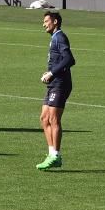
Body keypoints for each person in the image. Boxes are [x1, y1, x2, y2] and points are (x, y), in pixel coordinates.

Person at [37, 10, 75, 170]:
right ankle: (52, 153)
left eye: (47, 21)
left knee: (53, 119)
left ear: (55, 22)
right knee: (44, 118)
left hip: (60, 84)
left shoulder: (60, 37)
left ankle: (56, 155)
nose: (44, 24)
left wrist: (52, 73)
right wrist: (49, 73)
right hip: (54, 83)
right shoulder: (55, 38)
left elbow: (69, 59)